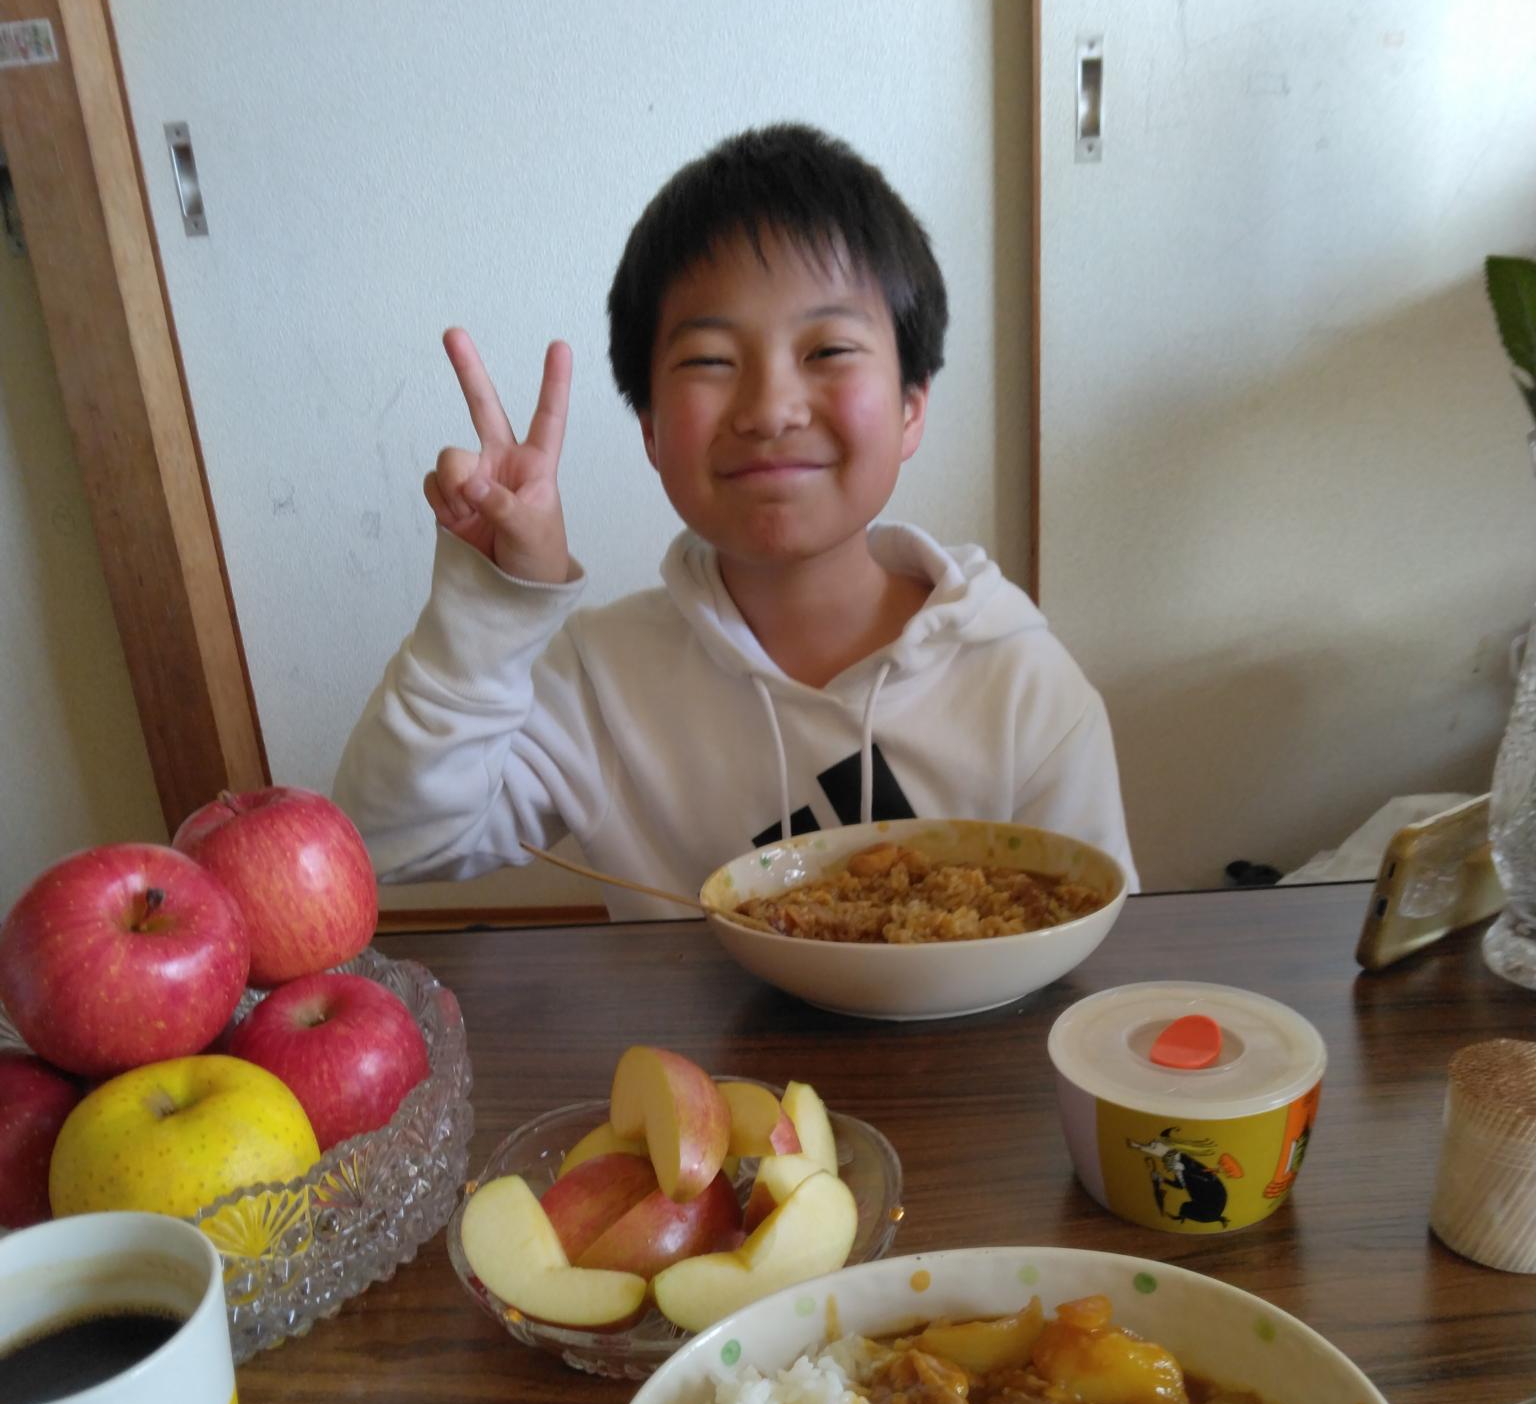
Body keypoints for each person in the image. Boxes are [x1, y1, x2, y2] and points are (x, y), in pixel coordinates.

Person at [333, 122, 1137, 916]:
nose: (770, 408)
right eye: (711, 361)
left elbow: (1090, 936)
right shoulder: (600, 682)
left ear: (911, 407)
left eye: (828, 351)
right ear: (650, 428)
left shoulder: (1018, 683)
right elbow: (390, 842)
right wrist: (495, 604)